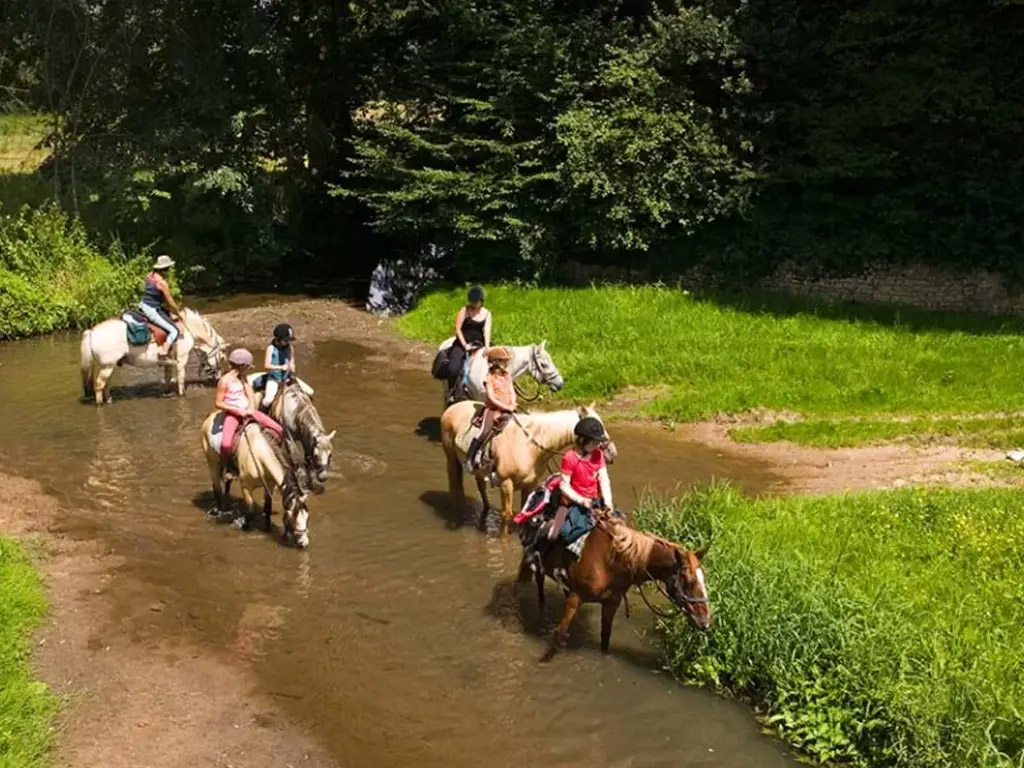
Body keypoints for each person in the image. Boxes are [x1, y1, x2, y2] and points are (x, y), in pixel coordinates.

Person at [547, 417, 613, 548]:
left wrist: (608, 502)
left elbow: (604, 479)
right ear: (582, 440)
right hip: (572, 502)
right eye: (593, 443)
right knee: (557, 534)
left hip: (594, 501)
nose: (597, 446)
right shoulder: (569, 457)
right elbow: (564, 485)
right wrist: (582, 501)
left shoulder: (598, 455)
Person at [216, 348, 284, 465]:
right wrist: (237, 411)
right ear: (241, 366)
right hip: (233, 414)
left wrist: (251, 407)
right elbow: (218, 403)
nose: (249, 369)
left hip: (249, 411)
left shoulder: (243, 378)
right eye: (247, 366)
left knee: (279, 429)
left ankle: (276, 456)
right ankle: (227, 467)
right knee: (226, 444)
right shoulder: (224, 381)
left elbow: (250, 393)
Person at [465, 346, 516, 471]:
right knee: (486, 430)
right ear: (496, 363)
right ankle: (471, 457)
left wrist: (513, 403)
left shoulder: (507, 376)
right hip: (494, 409)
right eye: (504, 361)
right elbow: (491, 398)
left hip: (509, 408)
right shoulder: (489, 378)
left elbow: (511, 391)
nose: (507, 364)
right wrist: (506, 407)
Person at [447, 285, 492, 397]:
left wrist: (487, 347)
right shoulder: (464, 311)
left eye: (476, 302)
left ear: (481, 301)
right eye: (473, 302)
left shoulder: (487, 314)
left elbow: (486, 331)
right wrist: (465, 345)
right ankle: (451, 392)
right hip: (463, 343)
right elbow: (458, 328)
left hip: (480, 343)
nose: (474, 304)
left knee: (497, 363)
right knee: (453, 367)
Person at [139, 254, 183, 357]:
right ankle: (164, 352)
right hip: (152, 309)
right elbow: (171, 302)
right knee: (174, 330)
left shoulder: (149, 275)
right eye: (168, 270)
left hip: (143, 304)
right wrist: (178, 313)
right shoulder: (162, 283)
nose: (169, 272)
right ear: (164, 270)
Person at [261, 323, 296, 410]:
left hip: (287, 377)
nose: (288, 342)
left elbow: (292, 360)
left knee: (309, 392)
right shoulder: (271, 348)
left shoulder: (290, 348)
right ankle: (260, 415)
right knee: (268, 400)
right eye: (285, 340)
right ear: (279, 339)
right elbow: (266, 365)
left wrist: (292, 367)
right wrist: (280, 367)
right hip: (275, 378)